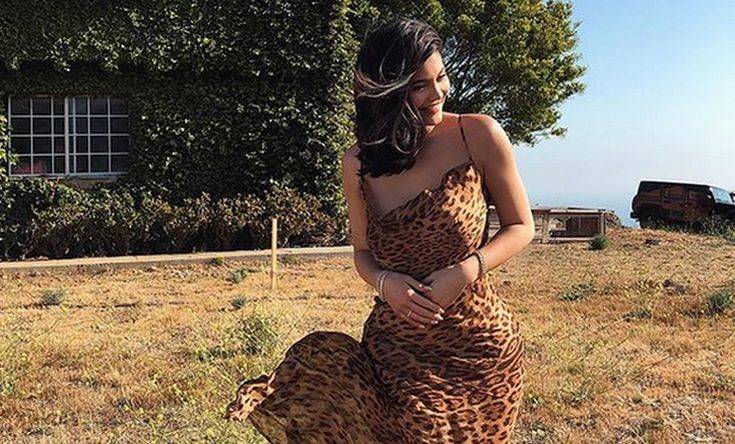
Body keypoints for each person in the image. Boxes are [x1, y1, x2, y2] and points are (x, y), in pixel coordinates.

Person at [226, 17, 535, 443]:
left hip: (479, 350)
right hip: (396, 352)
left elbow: (521, 226)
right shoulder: (357, 164)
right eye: (419, 86)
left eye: (441, 77)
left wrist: (465, 271)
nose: (437, 94)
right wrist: (386, 283)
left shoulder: (476, 134)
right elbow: (362, 254)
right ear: (386, 92)